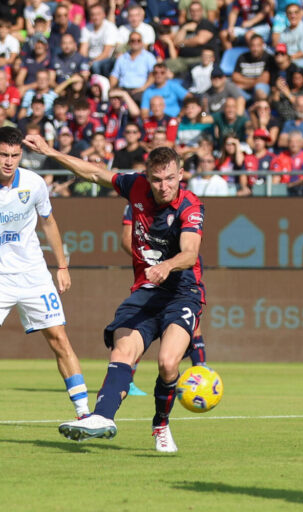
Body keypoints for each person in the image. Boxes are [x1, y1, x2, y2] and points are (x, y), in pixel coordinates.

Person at [25, 136, 205, 454]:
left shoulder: (190, 206)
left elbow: (190, 253)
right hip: (145, 292)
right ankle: (101, 417)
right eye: (157, 179)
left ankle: (161, 423)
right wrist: (51, 152)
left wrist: (167, 265)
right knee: (122, 353)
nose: (164, 186)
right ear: (147, 177)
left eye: (170, 179)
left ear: (180, 175)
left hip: (182, 293)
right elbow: (93, 173)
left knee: (167, 363)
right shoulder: (135, 186)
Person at [0, 126, 90, 420]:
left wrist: (62, 265)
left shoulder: (34, 183)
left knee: (59, 339)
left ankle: (84, 413)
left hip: (33, 274)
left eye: (14, 155)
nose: (8, 161)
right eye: (3, 154)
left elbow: (49, 223)